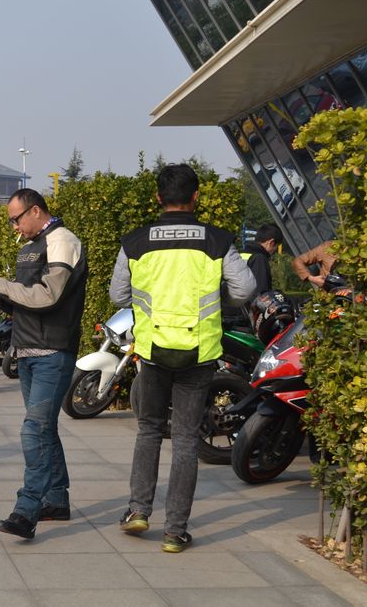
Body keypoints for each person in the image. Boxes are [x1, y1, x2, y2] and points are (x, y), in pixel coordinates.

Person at [109, 164, 255, 553]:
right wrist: (219, 303)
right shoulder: (218, 240)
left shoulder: (135, 241)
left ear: (158, 197)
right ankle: (175, 532)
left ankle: (138, 511)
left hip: (153, 351)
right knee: (187, 439)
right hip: (199, 353)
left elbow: (118, 295)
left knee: (149, 430)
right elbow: (245, 288)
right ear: (195, 197)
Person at [0, 188, 87, 540]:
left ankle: (26, 511)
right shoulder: (30, 246)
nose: (14, 227)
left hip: (52, 351)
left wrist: (5, 286)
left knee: (33, 431)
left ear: (36, 211)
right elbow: (26, 301)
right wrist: (1, 296)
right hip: (26, 350)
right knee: (45, 430)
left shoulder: (62, 240)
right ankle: (56, 500)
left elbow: (49, 295)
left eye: (16, 219)